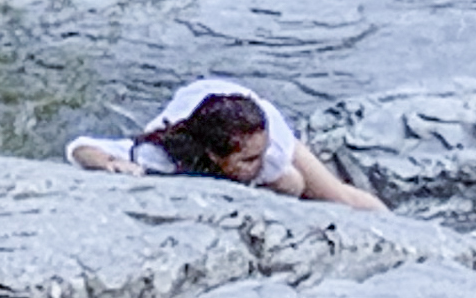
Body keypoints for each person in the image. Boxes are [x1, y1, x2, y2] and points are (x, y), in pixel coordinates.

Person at [68, 78, 388, 212]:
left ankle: (392, 219)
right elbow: (81, 148)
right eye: (248, 160)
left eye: (259, 157)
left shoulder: (270, 150)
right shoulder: (165, 149)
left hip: (251, 113)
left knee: (305, 185)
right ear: (213, 156)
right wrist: (110, 164)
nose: (258, 163)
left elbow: (291, 181)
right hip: (206, 111)